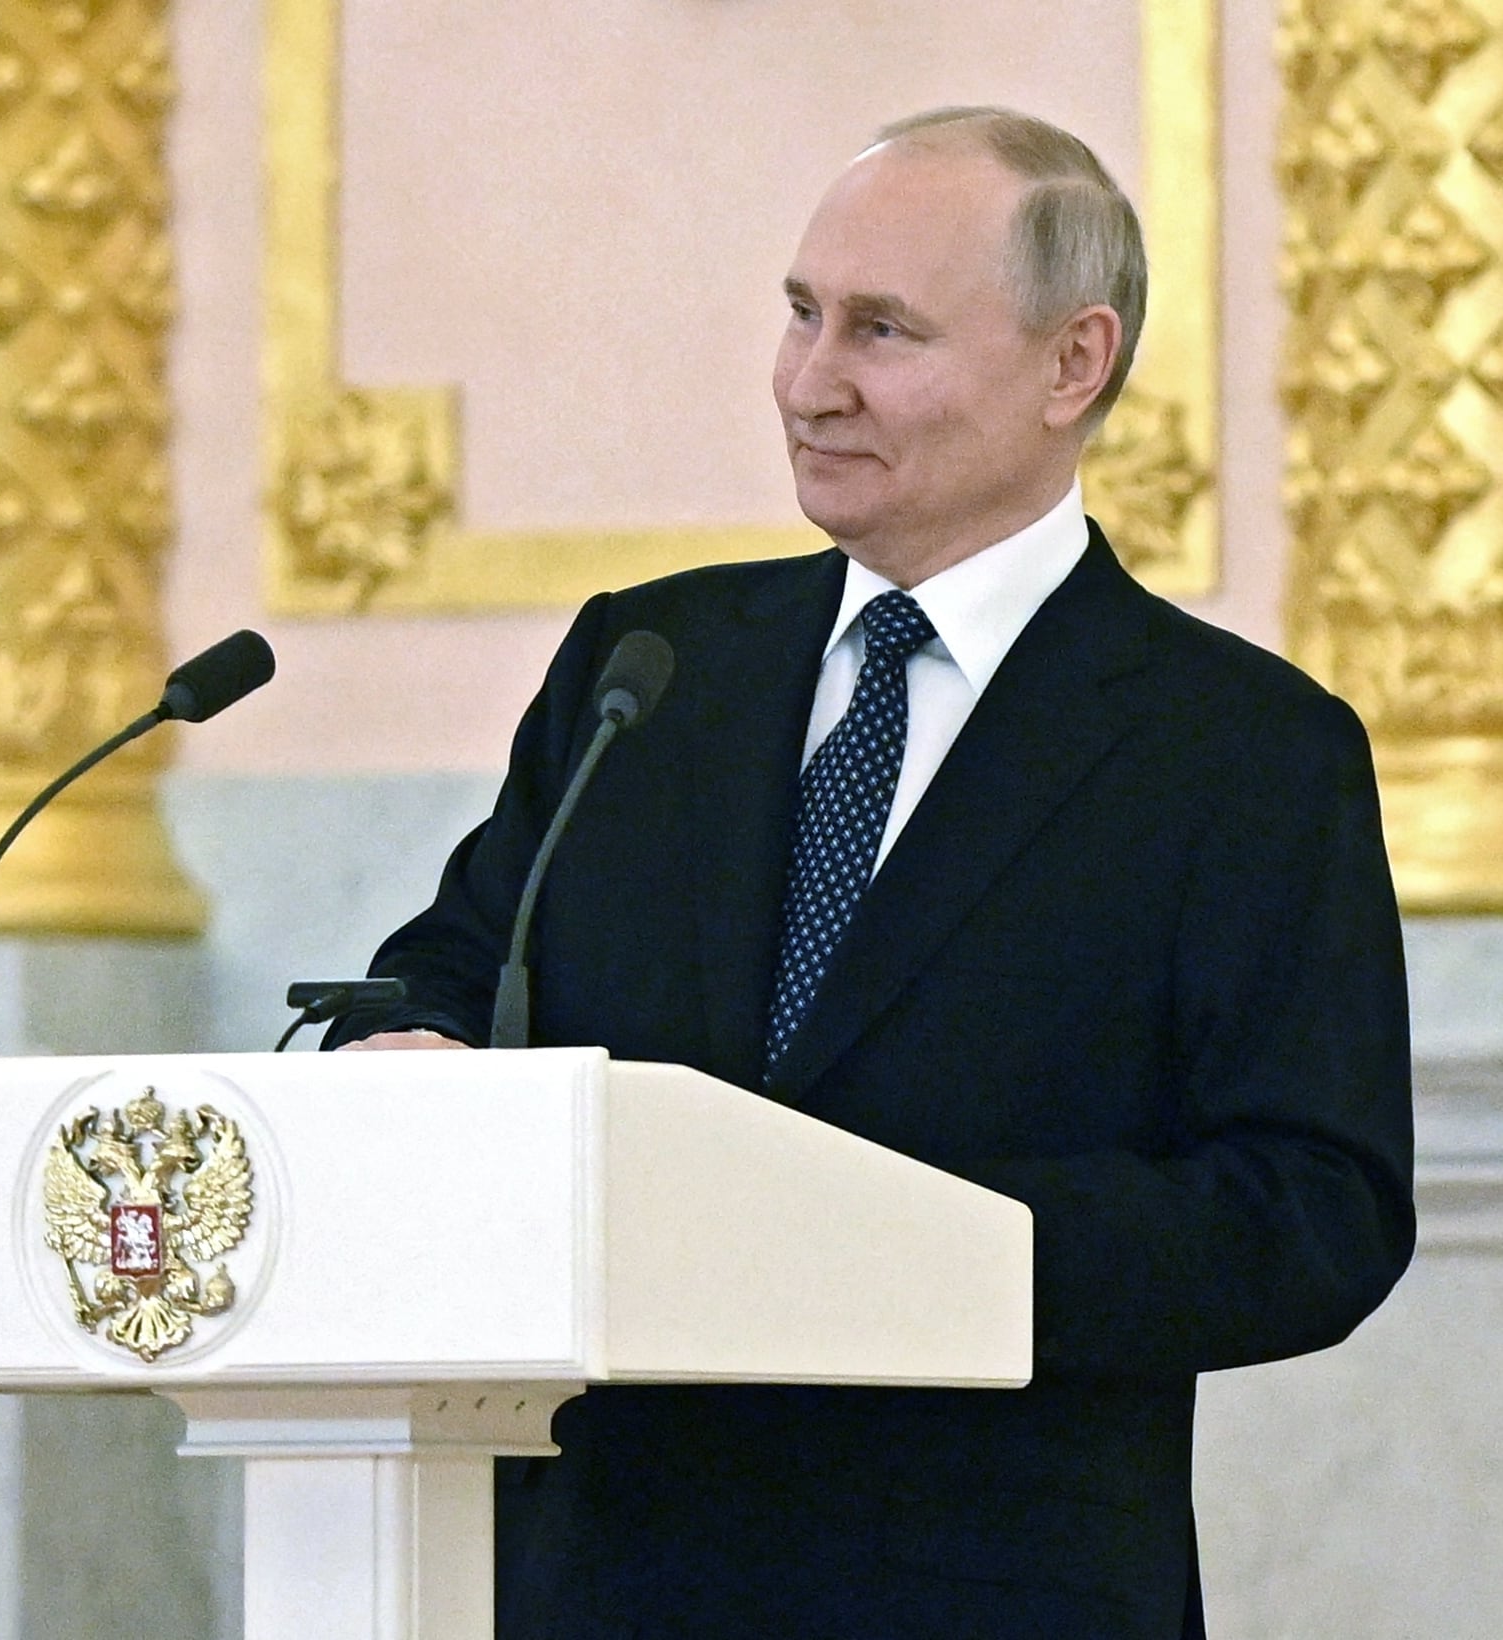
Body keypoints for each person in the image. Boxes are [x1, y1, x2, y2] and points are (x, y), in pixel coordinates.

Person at [324, 107, 1416, 1639]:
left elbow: (1312, 1212)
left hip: (990, 1585)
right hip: (598, 1578)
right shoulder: (649, 664)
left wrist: (888, 1241)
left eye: (882, 331)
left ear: (1070, 364)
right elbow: (440, 968)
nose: (806, 383)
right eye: (797, 313)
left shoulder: (1239, 752)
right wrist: (398, 1054)